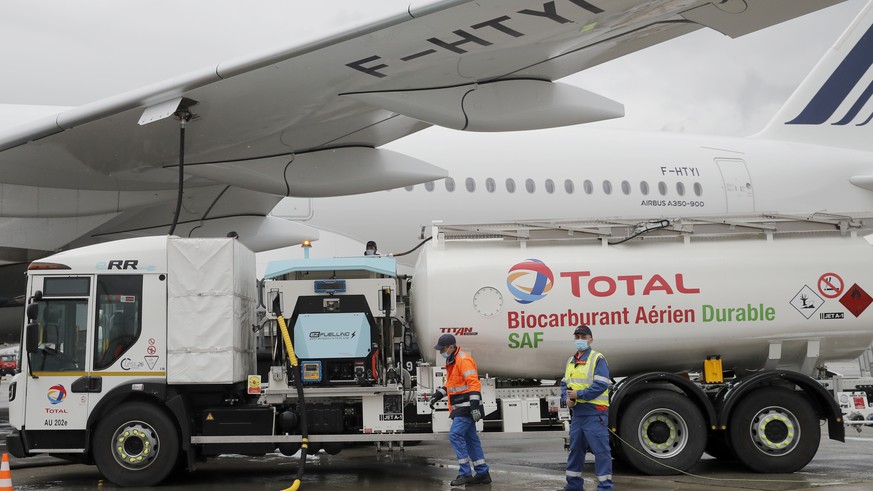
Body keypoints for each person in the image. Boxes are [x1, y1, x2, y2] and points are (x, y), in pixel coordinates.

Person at [429, 333, 492, 486]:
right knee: (471, 439)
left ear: (451, 347)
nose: (441, 352)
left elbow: (474, 384)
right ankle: (482, 473)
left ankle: (465, 473)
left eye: (442, 349)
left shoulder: (463, 360)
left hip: (466, 408)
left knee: (455, 435)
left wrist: (475, 406)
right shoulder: (452, 361)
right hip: (462, 408)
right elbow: (451, 384)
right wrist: (438, 395)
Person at [560, 325, 612, 491]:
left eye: (583, 336)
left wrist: (579, 395)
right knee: (575, 451)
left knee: (601, 452)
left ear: (591, 339)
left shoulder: (597, 358)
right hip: (578, 415)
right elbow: (564, 384)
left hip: (595, 414)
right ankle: (573, 486)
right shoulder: (571, 360)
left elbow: (601, 384)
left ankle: (605, 487)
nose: (580, 340)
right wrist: (566, 398)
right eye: (577, 337)